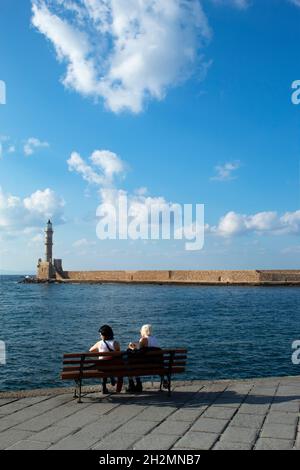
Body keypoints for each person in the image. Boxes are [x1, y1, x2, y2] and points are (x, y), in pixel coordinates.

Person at [89, 324, 123, 394]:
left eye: (100, 334)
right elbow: (118, 353)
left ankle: (103, 386)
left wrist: (100, 350)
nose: (100, 336)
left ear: (104, 335)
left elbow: (91, 350)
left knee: (103, 364)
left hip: (102, 367)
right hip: (113, 367)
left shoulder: (99, 343)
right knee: (111, 363)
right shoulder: (116, 343)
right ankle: (111, 376)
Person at [127, 324, 160, 393]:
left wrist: (131, 347)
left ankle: (133, 385)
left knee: (131, 362)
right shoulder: (155, 339)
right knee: (135, 362)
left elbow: (138, 353)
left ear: (143, 331)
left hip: (145, 365)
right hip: (155, 364)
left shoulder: (144, 339)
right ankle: (137, 385)